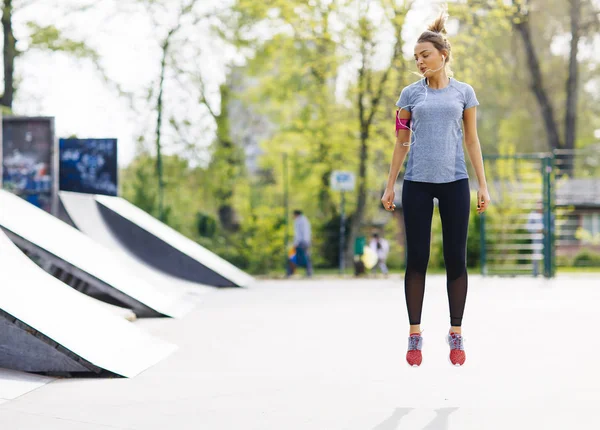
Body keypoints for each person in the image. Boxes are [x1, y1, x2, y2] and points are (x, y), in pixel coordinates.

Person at [380, 9, 491, 367]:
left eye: (425, 55)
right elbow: (400, 142)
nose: (420, 62)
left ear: (443, 55)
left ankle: (455, 332)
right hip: (416, 184)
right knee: (417, 259)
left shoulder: (465, 93)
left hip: (455, 182)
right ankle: (415, 334)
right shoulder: (409, 94)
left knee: (455, 259)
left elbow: (472, 141)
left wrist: (482, 186)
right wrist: (389, 186)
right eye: (416, 58)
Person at [287, 210, 313, 277]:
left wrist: (296, 243)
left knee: (292, 255)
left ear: (296, 214)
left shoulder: (298, 221)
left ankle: (290, 272)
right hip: (306, 241)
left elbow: (298, 233)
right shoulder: (305, 220)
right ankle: (309, 272)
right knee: (306, 256)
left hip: (301, 242)